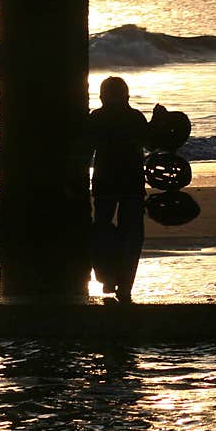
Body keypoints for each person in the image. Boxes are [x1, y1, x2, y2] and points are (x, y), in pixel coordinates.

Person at [86, 76, 149, 303]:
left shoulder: (97, 118)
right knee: (132, 235)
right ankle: (125, 285)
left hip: (105, 184)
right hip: (132, 184)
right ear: (127, 97)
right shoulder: (135, 117)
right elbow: (152, 143)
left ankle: (107, 277)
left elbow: (85, 151)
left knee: (101, 230)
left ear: (102, 97)